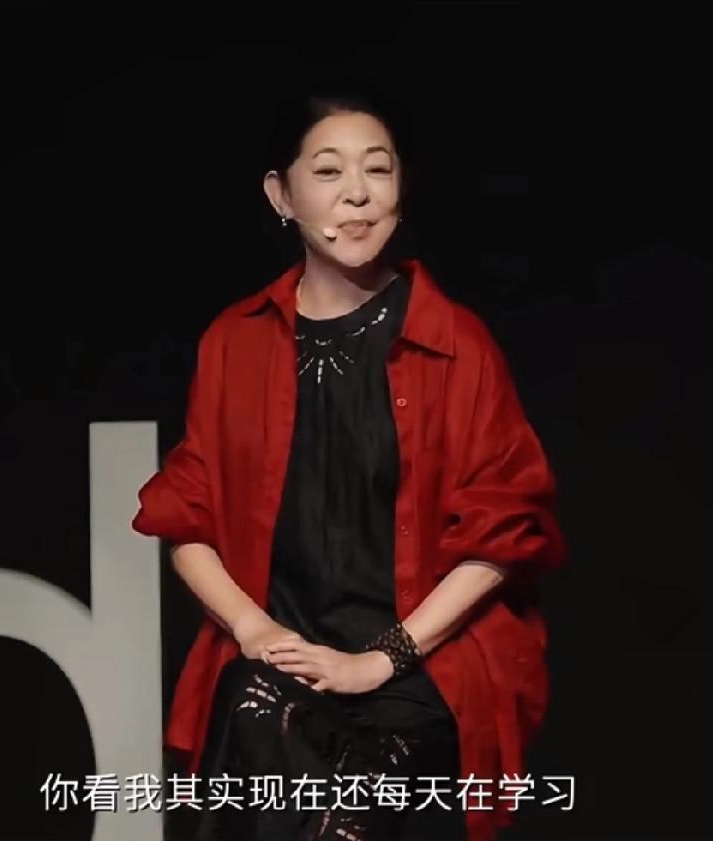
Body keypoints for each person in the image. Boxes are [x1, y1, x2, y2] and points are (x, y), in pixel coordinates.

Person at [132, 84, 567, 841]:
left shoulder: (459, 343)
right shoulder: (234, 341)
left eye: (379, 169)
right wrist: (254, 630)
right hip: (282, 660)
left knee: (353, 798)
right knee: (254, 708)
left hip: (426, 669)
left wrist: (381, 659)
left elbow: (502, 535)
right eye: (329, 171)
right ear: (282, 195)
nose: (358, 193)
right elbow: (185, 517)